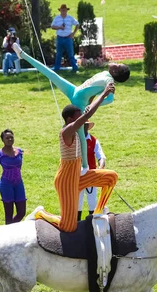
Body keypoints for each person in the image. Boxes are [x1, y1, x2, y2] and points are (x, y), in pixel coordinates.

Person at [12, 43, 130, 175]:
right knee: (52, 75)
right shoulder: (105, 73)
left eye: (118, 66)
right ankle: (22, 55)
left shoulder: (110, 81)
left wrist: (89, 105)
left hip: (79, 103)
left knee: (81, 135)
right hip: (74, 90)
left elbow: (109, 97)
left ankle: (84, 167)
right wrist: (92, 98)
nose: (116, 63)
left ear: (115, 72)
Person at [33, 82, 118, 232]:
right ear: (71, 119)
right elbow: (88, 114)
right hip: (66, 180)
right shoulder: (66, 131)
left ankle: (98, 213)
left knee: (111, 177)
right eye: (79, 117)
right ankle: (40, 213)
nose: (84, 121)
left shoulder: (77, 129)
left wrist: (92, 95)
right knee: (69, 226)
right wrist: (103, 94)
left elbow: (87, 110)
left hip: (79, 176)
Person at [0, 129, 27, 225]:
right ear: (2, 140)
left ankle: (8, 229)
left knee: (21, 212)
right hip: (6, 184)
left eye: (11, 137)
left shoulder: (19, 151)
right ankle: (8, 234)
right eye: (7, 138)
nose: (10, 139)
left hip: (18, 183)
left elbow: (19, 167)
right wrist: (0, 187)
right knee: (9, 214)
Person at [77, 121, 106, 220]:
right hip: (78, 177)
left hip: (91, 176)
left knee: (92, 202)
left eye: (84, 125)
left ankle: (93, 225)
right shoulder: (75, 140)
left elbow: (101, 156)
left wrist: (100, 168)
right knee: (77, 203)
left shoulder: (93, 140)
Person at [51, 4, 80, 72]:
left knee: (71, 54)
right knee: (58, 54)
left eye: (64, 10)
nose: (63, 11)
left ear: (66, 10)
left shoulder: (70, 18)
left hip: (68, 38)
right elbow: (52, 26)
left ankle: (74, 68)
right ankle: (57, 68)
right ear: (60, 10)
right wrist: (59, 27)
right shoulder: (57, 18)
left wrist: (73, 33)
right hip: (60, 38)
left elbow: (77, 24)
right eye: (62, 10)